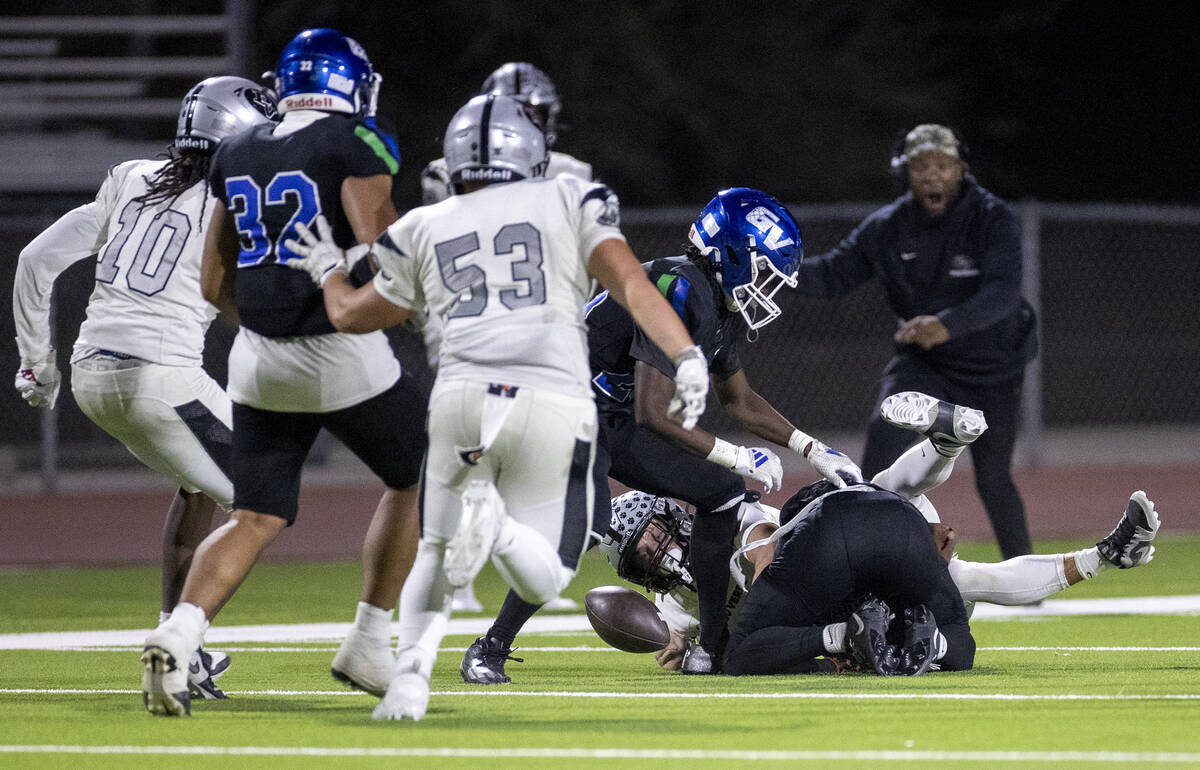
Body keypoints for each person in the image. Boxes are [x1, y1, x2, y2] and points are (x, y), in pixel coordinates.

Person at [281, 92, 710, 721]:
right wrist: (687, 356)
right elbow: (633, 286)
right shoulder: (569, 198)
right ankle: (502, 529)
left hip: (462, 400)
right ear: (531, 153)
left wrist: (326, 270)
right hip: (554, 400)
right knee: (547, 572)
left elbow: (350, 315)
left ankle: (410, 680)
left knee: (433, 550)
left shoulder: (423, 225)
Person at [460, 187, 864, 682]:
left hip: (610, 412)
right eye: (763, 271)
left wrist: (812, 448)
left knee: (720, 495)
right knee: (585, 523)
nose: (767, 287)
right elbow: (654, 411)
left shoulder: (712, 300)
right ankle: (490, 647)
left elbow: (737, 400)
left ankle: (713, 647)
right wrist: (736, 455)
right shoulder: (679, 287)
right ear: (733, 255)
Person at [140, 29, 424, 717]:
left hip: (257, 360)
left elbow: (213, 281)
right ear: (346, 81)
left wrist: (270, 326)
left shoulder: (236, 150)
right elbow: (381, 250)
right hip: (338, 346)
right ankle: (368, 640)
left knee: (256, 514)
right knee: (421, 473)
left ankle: (178, 634)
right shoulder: (354, 139)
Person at [13, 75, 279, 700]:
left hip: (91, 375)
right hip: (160, 376)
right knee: (268, 501)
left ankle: (175, 637)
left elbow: (34, 260)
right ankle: (180, 645)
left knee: (197, 486)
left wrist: (37, 364)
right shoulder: (236, 195)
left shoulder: (129, 177)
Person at [600, 391, 1161, 674]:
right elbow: (674, 648)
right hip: (855, 567)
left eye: (653, 538)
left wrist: (748, 622)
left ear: (671, 518)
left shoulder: (720, 527)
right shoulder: (673, 603)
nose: (658, 555)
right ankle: (1104, 555)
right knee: (964, 580)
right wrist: (676, 648)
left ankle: (943, 445)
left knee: (877, 497)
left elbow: (762, 541)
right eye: (644, 558)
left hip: (819, 553)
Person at [791, 124, 1038, 560]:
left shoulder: (992, 218)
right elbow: (831, 274)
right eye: (921, 166)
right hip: (924, 364)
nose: (931, 175)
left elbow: (1002, 293)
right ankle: (863, 567)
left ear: (960, 170)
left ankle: (1029, 588)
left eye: (942, 165)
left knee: (994, 479)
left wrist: (944, 323)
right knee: (877, 463)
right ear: (904, 173)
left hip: (992, 368)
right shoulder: (886, 228)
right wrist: (770, 265)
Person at [421, 62, 593, 614]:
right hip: (480, 326)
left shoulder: (569, 173)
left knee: (520, 449)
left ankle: (518, 567)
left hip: (529, 326)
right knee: (482, 449)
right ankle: (461, 576)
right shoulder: (567, 176)